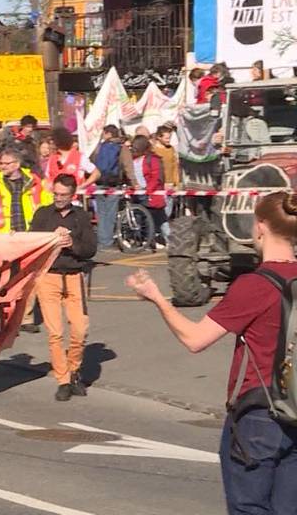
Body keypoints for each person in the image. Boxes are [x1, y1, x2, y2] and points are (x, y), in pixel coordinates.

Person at [126, 191, 297, 513]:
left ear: (260, 226)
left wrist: (157, 298)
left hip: (260, 412)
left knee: (249, 507)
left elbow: (195, 339)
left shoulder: (254, 285)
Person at [30, 175, 97, 401]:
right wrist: (51, 239)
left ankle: (74, 368)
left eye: (63, 195)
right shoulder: (43, 214)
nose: (58, 198)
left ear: (72, 196)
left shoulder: (81, 216)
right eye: (55, 194)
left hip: (74, 276)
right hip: (49, 276)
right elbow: (32, 243)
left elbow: (90, 248)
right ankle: (63, 380)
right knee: (55, 332)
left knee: (80, 330)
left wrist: (72, 244)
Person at [0, 147, 52, 234]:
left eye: (7, 163)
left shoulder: (35, 182)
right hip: (3, 235)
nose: (3, 166)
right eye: (1, 163)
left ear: (17, 164)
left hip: (31, 232)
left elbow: (47, 205)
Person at [129, 135, 168, 247]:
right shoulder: (133, 160)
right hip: (138, 194)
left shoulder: (153, 159)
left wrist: (147, 189)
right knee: (141, 218)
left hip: (150, 194)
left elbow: (156, 177)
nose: (133, 150)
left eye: (135, 148)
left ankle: (165, 240)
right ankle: (143, 240)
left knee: (158, 219)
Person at [93, 125, 125, 250]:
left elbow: (100, 164)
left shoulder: (102, 147)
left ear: (108, 134)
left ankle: (102, 239)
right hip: (113, 182)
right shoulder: (118, 147)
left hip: (100, 181)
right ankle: (107, 240)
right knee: (111, 212)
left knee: (101, 212)